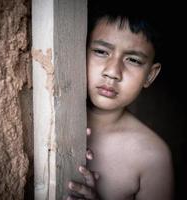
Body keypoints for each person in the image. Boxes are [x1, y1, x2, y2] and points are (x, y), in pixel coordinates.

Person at [66, 6, 174, 200]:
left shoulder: (153, 157)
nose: (113, 72)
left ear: (150, 75)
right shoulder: (48, 121)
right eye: (100, 51)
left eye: (133, 60)